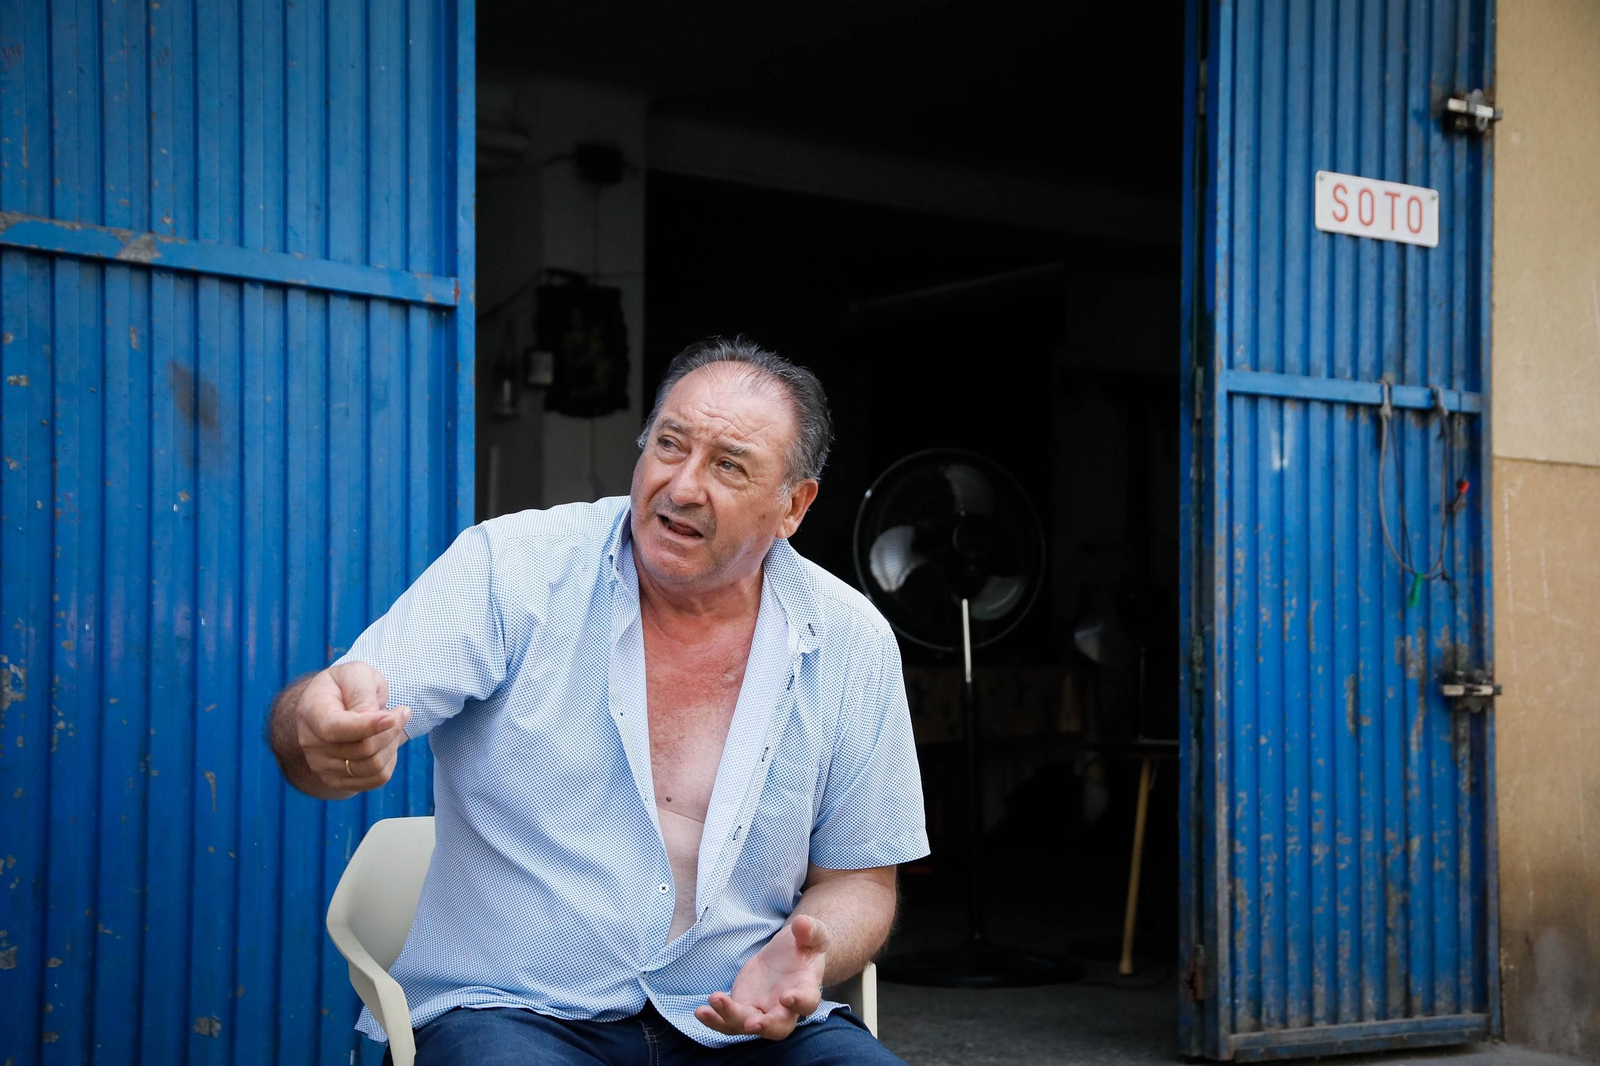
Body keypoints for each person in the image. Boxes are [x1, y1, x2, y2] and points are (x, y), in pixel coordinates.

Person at [266, 336, 929, 1065]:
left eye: (729, 466)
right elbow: (348, 700)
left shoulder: (851, 640)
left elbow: (861, 878)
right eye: (669, 446)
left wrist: (813, 950)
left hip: (736, 1014)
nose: (681, 486)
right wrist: (315, 727)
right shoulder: (516, 567)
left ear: (793, 506)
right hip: (515, 1011)